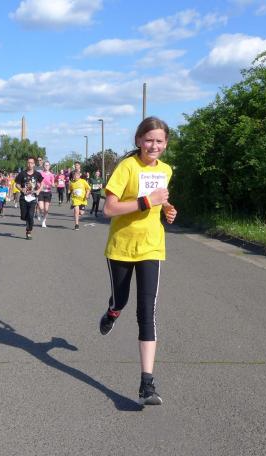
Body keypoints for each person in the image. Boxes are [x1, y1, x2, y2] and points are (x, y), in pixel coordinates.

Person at [98, 116, 177, 407]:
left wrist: (167, 209)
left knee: (147, 312)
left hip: (151, 247)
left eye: (159, 141)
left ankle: (147, 383)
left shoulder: (166, 170)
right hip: (121, 247)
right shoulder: (127, 167)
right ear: (138, 140)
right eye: (149, 140)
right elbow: (109, 209)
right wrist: (147, 201)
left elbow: (160, 199)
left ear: (166, 144)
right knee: (121, 300)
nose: (154, 145)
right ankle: (112, 312)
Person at [15, 156, 43, 240]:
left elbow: (42, 183)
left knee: (30, 215)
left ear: (34, 164)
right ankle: (27, 221)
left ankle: (29, 231)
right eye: (28, 162)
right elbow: (17, 184)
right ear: (26, 164)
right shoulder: (22, 174)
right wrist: (21, 189)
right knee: (24, 216)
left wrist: (38, 190)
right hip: (23, 198)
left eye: (31, 163)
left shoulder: (37, 174)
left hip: (33, 198)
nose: (30, 164)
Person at [37, 160, 55, 228]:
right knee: (41, 207)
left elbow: (53, 184)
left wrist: (52, 185)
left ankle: (44, 221)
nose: (46, 166)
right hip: (41, 192)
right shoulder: (41, 174)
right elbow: (37, 182)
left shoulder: (51, 175)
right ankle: (39, 213)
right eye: (45, 165)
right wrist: (40, 186)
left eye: (47, 165)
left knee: (46, 209)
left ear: (49, 166)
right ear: (43, 166)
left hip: (48, 192)